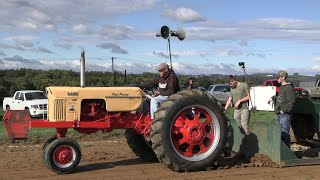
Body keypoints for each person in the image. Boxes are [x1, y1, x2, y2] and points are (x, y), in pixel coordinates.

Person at [268, 70, 296, 147]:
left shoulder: (288, 88)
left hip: (285, 114)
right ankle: (281, 151)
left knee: (285, 133)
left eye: (278, 77)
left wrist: (283, 111)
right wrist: (273, 98)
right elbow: (281, 98)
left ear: (283, 77)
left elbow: (291, 101)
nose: (277, 79)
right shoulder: (282, 87)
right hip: (279, 114)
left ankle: (287, 153)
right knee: (279, 133)